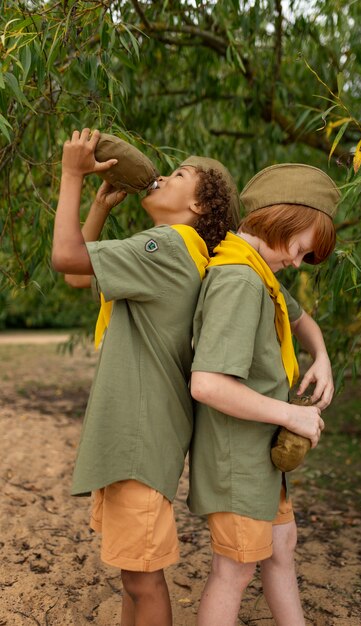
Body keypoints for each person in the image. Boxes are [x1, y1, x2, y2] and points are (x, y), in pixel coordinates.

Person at [51, 127, 240, 626]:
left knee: (143, 578)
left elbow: (63, 257)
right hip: (138, 433)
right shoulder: (179, 254)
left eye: (179, 175)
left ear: (198, 207)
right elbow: (77, 274)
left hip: (139, 435)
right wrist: (100, 208)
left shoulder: (170, 247)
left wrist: (71, 176)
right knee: (131, 574)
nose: (164, 175)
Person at [188, 163, 341, 626]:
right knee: (234, 569)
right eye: (299, 250)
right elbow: (208, 383)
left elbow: (299, 319)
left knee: (282, 546)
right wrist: (291, 416)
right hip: (237, 456)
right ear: (280, 218)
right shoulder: (239, 279)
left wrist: (322, 355)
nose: (297, 263)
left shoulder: (261, 274)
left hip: (256, 454)